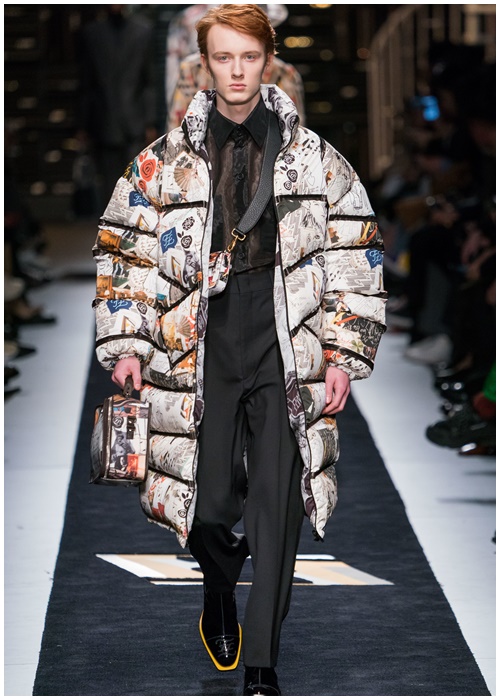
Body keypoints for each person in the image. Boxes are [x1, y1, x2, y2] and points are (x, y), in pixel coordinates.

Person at [93, 5, 386, 695]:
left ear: (267, 60)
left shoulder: (315, 157)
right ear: (204, 63)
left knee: (278, 499)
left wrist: (344, 352)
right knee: (209, 498)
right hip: (201, 334)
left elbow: (355, 248)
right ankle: (219, 578)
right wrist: (128, 342)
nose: (236, 71)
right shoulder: (163, 161)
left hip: (288, 332)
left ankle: (261, 662)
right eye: (223, 58)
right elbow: (123, 249)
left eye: (248, 57)